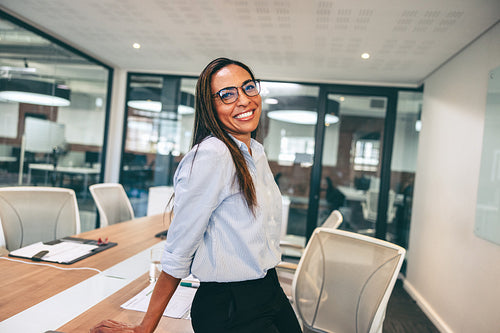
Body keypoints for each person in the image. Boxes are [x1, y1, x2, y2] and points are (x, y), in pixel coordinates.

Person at [90, 58, 302, 333]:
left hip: (268, 291)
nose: (243, 100)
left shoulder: (255, 152)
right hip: (232, 306)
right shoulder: (212, 155)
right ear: (210, 106)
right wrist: (146, 327)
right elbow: (179, 249)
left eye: (248, 87)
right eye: (227, 94)